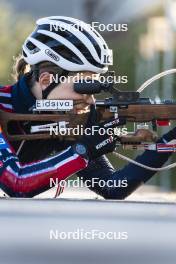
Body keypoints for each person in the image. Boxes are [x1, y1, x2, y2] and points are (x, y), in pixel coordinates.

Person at [0, 16, 175, 198]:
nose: (91, 100)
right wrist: (83, 150)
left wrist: (169, 141)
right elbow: (16, 183)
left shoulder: (62, 120)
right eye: (83, 87)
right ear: (46, 80)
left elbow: (113, 187)